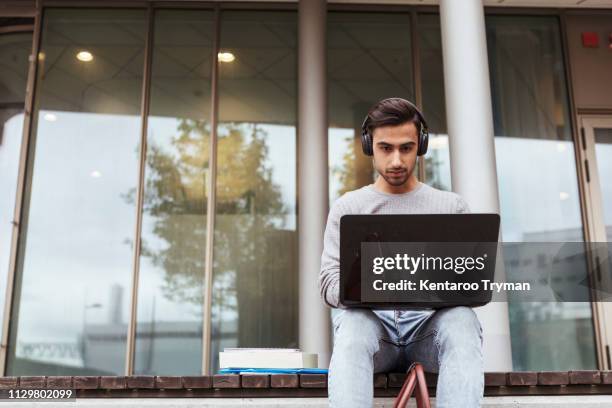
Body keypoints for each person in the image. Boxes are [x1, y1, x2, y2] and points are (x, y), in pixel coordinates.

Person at [319, 98, 483, 407]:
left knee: (463, 319)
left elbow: (471, 281)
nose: (396, 160)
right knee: (351, 323)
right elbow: (328, 283)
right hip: (373, 333)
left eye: (406, 148)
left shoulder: (451, 207)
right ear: (369, 146)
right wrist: (370, 280)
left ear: (420, 146)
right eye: (385, 148)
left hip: (428, 333)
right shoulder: (350, 207)